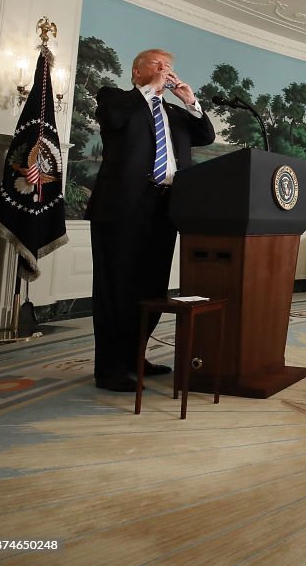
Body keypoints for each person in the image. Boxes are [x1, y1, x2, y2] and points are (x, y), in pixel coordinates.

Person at [85, 49, 215, 392]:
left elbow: (206, 137)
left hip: (164, 207)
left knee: (151, 289)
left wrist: (190, 101)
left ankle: (134, 357)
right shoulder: (115, 98)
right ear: (136, 71)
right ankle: (110, 369)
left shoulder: (175, 112)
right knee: (116, 288)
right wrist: (148, 91)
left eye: (169, 66)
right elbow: (113, 120)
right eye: (157, 65)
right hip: (121, 208)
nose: (165, 70)